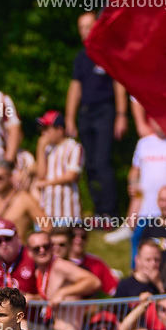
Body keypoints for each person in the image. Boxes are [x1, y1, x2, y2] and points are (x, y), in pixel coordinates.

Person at [65, 11, 127, 221]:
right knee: (89, 164)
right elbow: (75, 88)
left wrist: (121, 114)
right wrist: (69, 118)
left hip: (105, 111)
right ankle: (99, 211)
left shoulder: (107, 53)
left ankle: (111, 212)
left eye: (88, 26)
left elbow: (119, 84)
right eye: (81, 28)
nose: (85, 31)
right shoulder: (81, 57)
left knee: (102, 162)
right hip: (86, 113)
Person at [25, 230, 100, 330]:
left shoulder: (61, 266)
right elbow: (49, 297)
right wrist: (32, 298)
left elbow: (94, 282)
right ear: (29, 252)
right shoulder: (39, 272)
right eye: (36, 248)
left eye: (46, 246)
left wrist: (63, 292)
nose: (42, 250)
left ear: (52, 247)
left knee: (18, 326)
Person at [34, 111, 82, 222]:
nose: (43, 133)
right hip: (47, 210)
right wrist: (40, 150)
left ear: (59, 130)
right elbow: (41, 174)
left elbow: (71, 176)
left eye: (47, 129)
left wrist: (46, 183)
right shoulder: (47, 148)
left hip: (68, 212)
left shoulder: (73, 147)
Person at [0, 160, 47, 243]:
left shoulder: (24, 198)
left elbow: (45, 224)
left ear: (11, 177)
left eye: (0, 177)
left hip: (19, 253)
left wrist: (39, 244)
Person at [50, 227, 118, 298]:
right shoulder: (48, 265)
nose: (78, 240)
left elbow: (114, 290)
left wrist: (62, 292)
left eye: (83, 237)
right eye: (73, 236)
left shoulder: (96, 264)